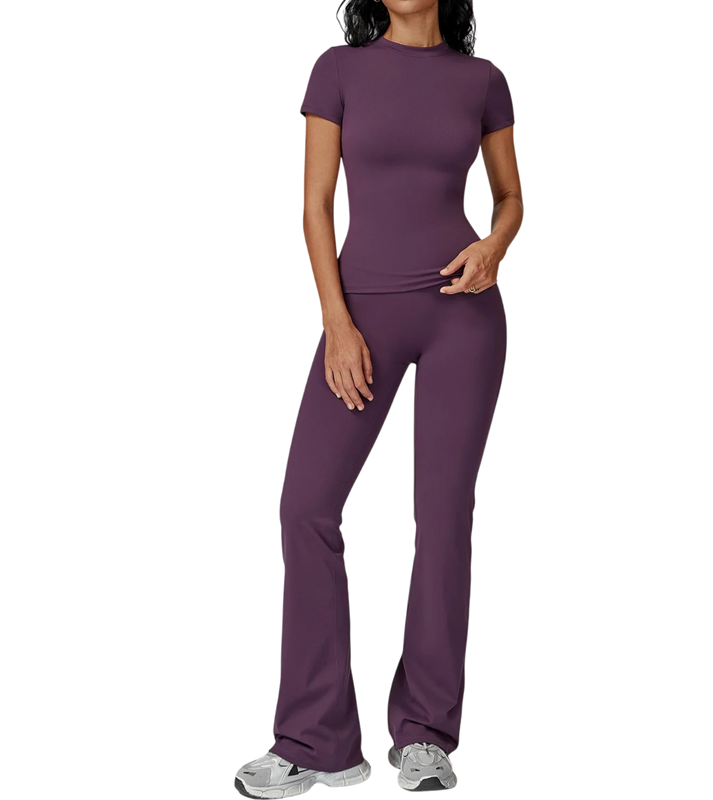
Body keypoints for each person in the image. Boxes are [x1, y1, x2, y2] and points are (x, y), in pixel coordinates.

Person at [235, 0, 522, 795]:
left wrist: (495, 247)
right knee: (306, 506)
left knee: (444, 517)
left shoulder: (483, 81)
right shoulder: (338, 71)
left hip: (465, 318)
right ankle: (316, 738)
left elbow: (510, 199)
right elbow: (315, 206)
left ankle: (426, 734)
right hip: (362, 317)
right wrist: (337, 322)